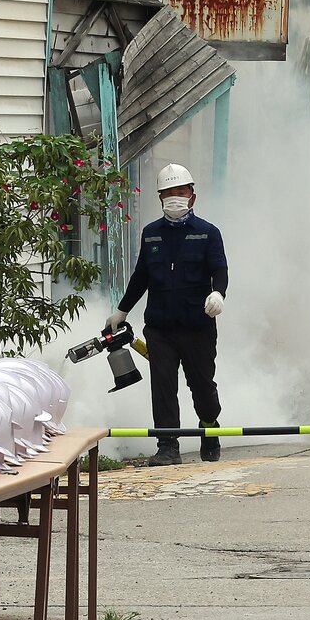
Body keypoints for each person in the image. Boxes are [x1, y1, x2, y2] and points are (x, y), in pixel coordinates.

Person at [105, 163, 227, 466]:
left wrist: (218, 293)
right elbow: (140, 277)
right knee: (162, 385)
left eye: (180, 192)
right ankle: (167, 446)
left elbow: (219, 270)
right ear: (160, 198)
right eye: (168, 193)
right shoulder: (151, 234)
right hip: (159, 327)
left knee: (202, 385)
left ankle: (209, 427)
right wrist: (121, 311)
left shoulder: (208, 233)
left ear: (192, 197)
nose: (175, 198)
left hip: (197, 325)